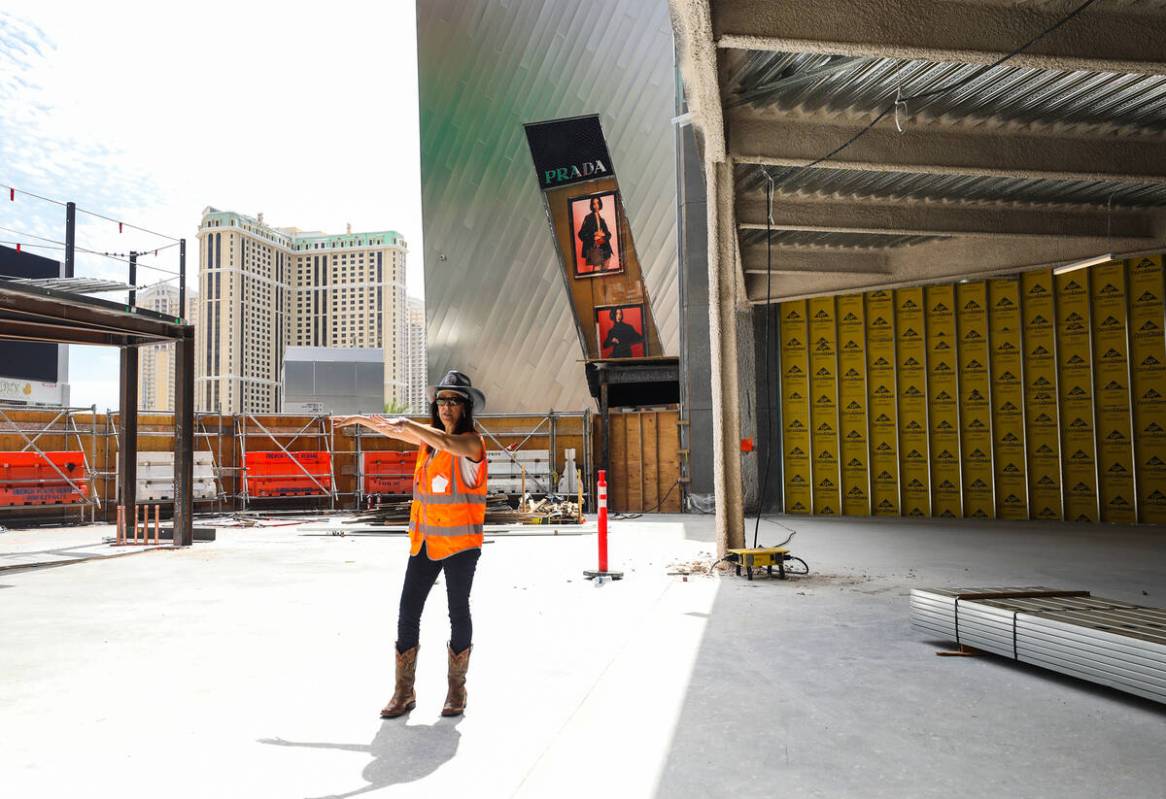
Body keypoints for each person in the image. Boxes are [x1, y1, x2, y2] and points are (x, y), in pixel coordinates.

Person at [335, 370, 488, 719]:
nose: (446, 407)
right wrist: (362, 419)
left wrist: (408, 423)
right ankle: (404, 692)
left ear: (465, 407)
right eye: (442, 401)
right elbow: (395, 429)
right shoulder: (428, 444)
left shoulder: (472, 444)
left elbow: (446, 442)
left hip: (461, 545)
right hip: (425, 542)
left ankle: (456, 691)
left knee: (458, 612)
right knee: (408, 612)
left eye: (454, 401)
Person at [577, 195, 613, 270]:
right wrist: (594, 234)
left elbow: (609, 234)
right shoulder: (588, 218)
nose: (596, 205)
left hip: (606, 249)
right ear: (592, 205)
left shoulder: (602, 220)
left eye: (598, 203)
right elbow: (581, 234)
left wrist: (603, 235)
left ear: (600, 204)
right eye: (594, 204)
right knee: (597, 274)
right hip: (595, 248)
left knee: (605, 273)